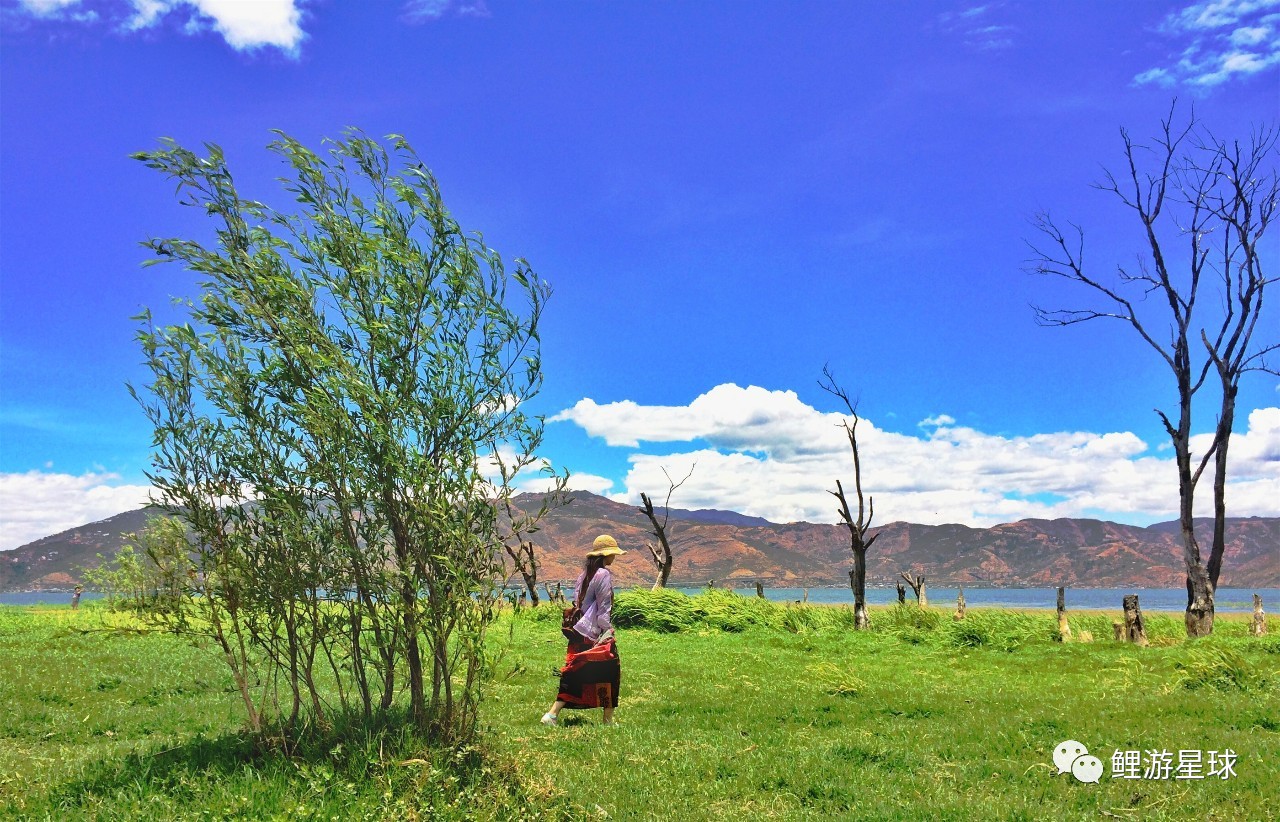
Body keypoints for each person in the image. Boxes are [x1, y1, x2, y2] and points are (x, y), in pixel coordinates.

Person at [542, 534, 624, 726]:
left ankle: (552, 715)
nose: (615, 557)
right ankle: (607, 721)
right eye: (613, 553)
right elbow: (604, 607)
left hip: (579, 632)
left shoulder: (584, 575)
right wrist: (607, 632)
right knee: (611, 673)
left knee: (575, 674)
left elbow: (578, 602)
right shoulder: (603, 575)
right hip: (595, 633)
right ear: (606, 555)